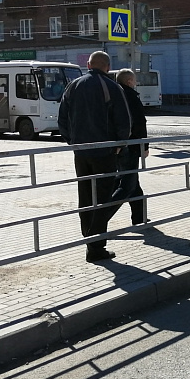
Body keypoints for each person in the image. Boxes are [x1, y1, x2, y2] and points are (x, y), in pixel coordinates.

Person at [58, 51, 132, 263]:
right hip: (104, 152)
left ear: (89, 64)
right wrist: (119, 145)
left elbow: (62, 116)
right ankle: (95, 245)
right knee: (102, 198)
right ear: (107, 67)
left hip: (81, 152)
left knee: (85, 195)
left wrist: (71, 141)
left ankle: (88, 238)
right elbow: (123, 121)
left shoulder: (73, 85)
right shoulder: (112, 87)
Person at [109, 69, 148, 226]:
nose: (136, 82)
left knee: (133, 183)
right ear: (129, 81)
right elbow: (140, 122)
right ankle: (99, 218)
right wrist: (144, 146)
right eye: (135, 80)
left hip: (116, 145)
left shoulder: (113, 94)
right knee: (127, 185)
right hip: (130, 146)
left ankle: (139, 218)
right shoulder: (131, 96)